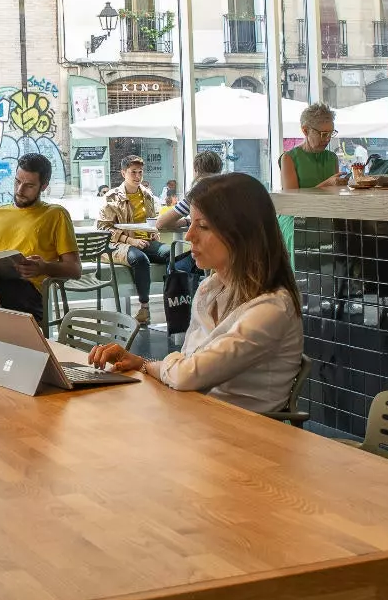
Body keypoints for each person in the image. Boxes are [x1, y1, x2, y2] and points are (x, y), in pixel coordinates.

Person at [89, 173, 304, 413]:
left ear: (242, 234)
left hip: (243, 439)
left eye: (202, 226)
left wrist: (160, 367)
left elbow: (187, 375)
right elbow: (187, 366)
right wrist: (141, 363)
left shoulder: (272, 308)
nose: (189, 235)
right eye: (190, 223)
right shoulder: (210, 288)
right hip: (197, 421)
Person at [0, 154, 79, 321]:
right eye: (17, 182)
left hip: (28, 289)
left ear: (44, 186)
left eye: (29, 186)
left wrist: (43, 267)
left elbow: (75, 269)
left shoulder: (56, 214)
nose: (20, 190)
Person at [96, 155, 169, 326]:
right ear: (123, 173)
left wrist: (153, 232)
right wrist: (130, 240)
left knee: (171, 254)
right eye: (133, 172)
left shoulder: (147, 195)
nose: (137, 176)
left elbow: (154, 220)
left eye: (140, 172)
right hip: (119, 243)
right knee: (140, 259)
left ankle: (173, 302)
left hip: (145, 241)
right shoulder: (111, 197)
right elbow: (104, 228)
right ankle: (145, 308)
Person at [279, 103, 346, 190]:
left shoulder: (332, 157)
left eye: (331, 133)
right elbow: (292, 198)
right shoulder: (289, 158)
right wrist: (328, 183)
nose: (328, 139)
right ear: (305, 131)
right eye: (324, 134)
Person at [156, 150, 224, 234]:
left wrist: (187, 222)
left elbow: (160, 223)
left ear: (196, 171)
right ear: (220, 169)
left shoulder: (198, 194)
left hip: (207, 244)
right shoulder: (232, 190)